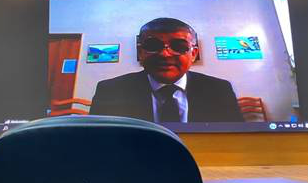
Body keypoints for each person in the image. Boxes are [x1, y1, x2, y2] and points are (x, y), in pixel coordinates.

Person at [90, 18, 243, 122]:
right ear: (141, 53)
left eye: (179, 46)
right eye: (152, 46)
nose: (165, 54)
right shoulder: (110, 90)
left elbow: (233, 141)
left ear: (193, 54)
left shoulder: (219, 89)